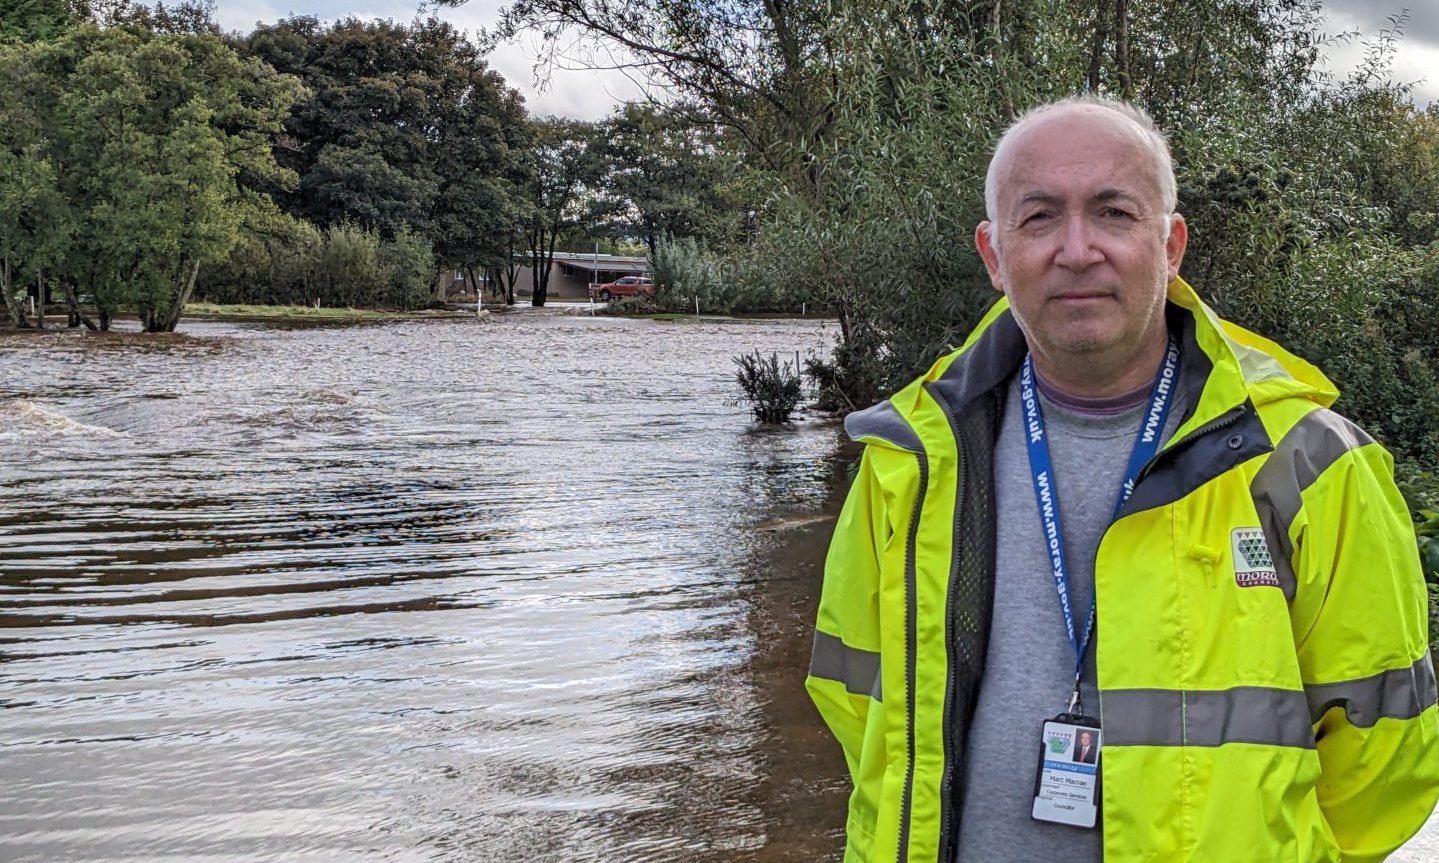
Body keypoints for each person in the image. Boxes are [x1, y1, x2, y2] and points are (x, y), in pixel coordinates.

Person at [804, 95, 1439, 863]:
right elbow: (856, 709)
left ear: (1169, 244)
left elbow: (1383, 761)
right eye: (1038, 217)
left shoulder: (1305, 461)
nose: (1076, 248)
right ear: (993, 255)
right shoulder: (907, 459)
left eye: (1112, 212)